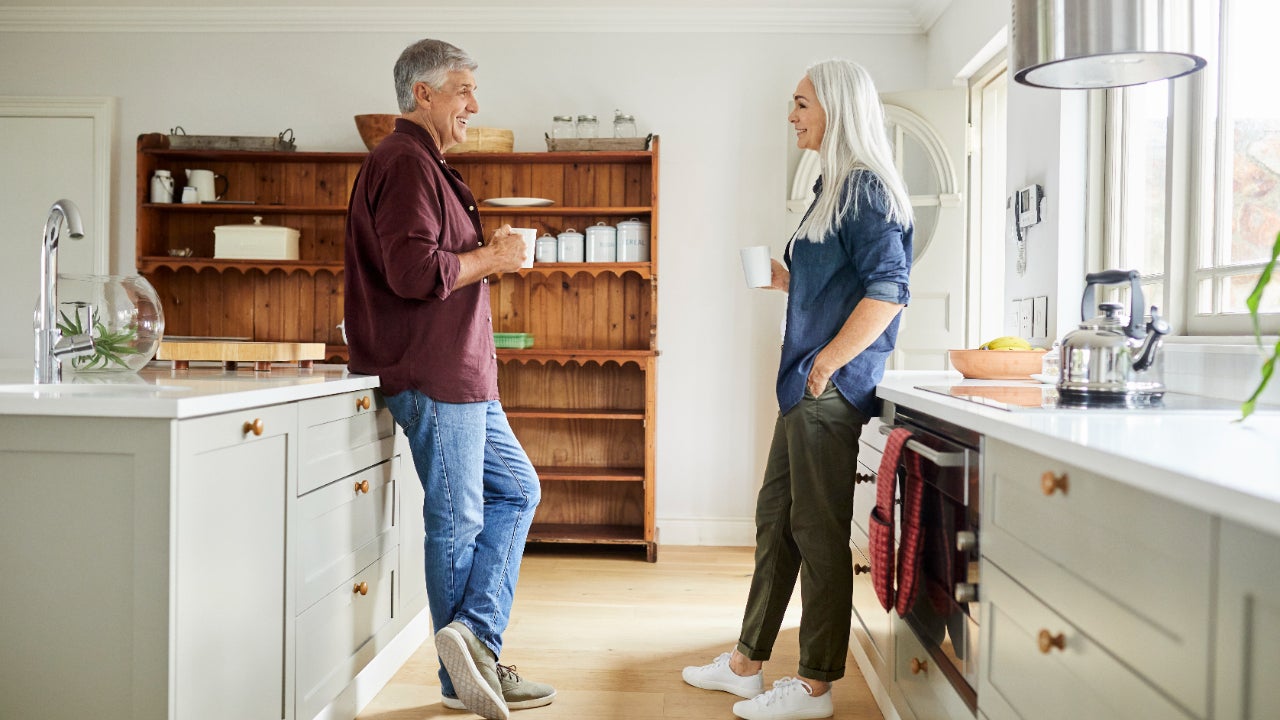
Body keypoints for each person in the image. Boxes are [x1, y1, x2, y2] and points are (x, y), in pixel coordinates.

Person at [682, 58, 913, 720]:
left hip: (827, 390)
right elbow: (845, 279)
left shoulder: (865, 188)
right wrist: (793, 281)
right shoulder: (832, 187)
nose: (791, 116)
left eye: (801, 104)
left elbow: (889, 290)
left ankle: (815, 686)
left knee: (814, 531)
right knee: (775, 524)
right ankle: (747, 664)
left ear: (835, 109)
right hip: (804, 387)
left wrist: (830, 362)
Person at [343, 38, 554, 720]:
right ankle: (469, 664)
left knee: (517, 489)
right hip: (433, 372)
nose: (475, 104)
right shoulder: (403, 161)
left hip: (461, 375)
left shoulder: (421, 163)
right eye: (462, 89)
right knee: (458, 522)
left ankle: (473, 649)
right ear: (422, 94)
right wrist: (491, 256)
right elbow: (414, 274)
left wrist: (487, 256)